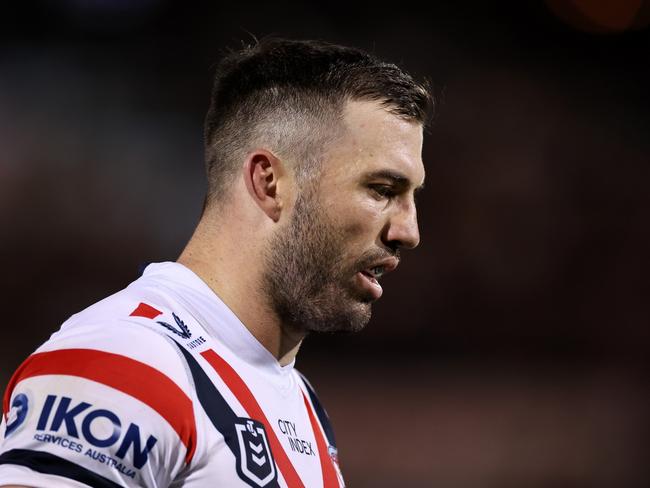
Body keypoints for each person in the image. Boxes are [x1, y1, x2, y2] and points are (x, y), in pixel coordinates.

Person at [0, 37, 431, 487]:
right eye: (383, 190)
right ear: (269, 183)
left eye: (411, 198)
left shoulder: (298, 402)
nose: (409, 231)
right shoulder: (123, 359)